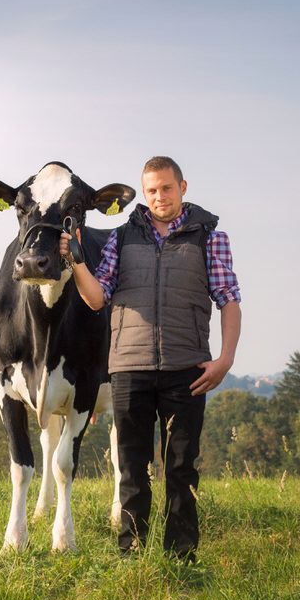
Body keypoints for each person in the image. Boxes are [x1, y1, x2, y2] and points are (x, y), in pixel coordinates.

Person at [63, 156, 241, 563]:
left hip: (188, 370)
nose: (159, 196)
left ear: (182, 187)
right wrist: (76, 260)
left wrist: (225, 360)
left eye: (166, 187)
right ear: (144, 194)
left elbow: (229, 300)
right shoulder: (122, 239)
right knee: (132, 469)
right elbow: (95, 298)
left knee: (181, 470)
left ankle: (181, 559)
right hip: (128, 370)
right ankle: (132, 557)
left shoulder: (210, 237)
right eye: (151, 190)